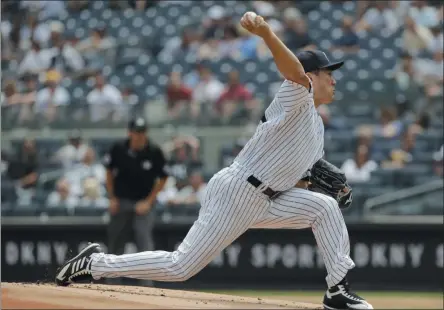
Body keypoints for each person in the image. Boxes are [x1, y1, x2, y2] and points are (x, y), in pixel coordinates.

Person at [54, 12, 373, 310]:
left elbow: (303, 176)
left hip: (270, 198)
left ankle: (336, 290)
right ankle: (94, 264)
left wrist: (332, 186)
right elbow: (292, 71)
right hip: (239, 191)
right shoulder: (296, 94)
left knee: (325, 208)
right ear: (311, 76)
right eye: (328, 73)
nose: (334, 79)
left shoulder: (316, 127)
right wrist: (265, 32)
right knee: (180, 266)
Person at [101, 117, 169, 286]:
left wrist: (149, 201)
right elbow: (109, 172)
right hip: (121, 201)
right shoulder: (118, 148)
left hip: (143, 205)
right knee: (116, 243)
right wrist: (112, 198)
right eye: (136, 132)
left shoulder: (154, 151)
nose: (139, 136)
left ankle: (147, 286)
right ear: (129, 132)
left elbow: (163, 178)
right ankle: (111, 284)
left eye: (142, 132)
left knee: (144, 244)